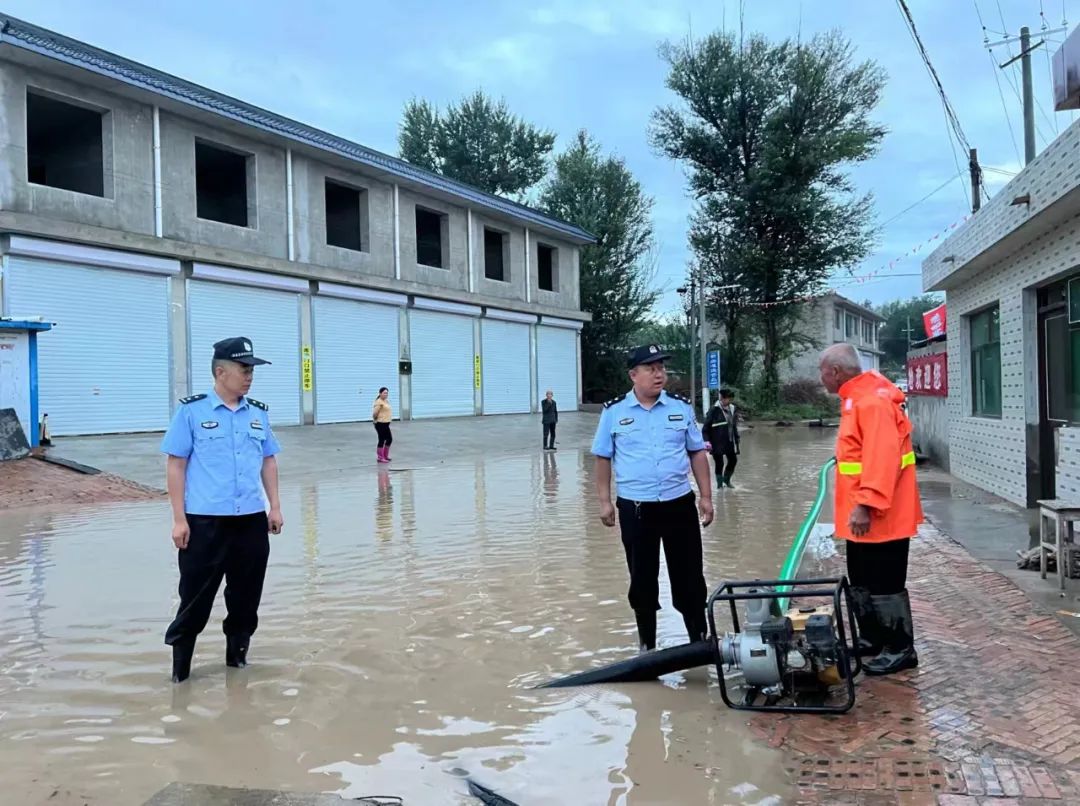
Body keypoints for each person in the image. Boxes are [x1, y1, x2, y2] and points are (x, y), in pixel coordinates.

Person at [161, 336, 284, 683]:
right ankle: (180, 676)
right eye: (244, 370)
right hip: (204, 523)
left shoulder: (258, 413)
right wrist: (179, 519)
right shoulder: (192, 411)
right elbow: (176, 465)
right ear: (220, 371)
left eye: (251, 371)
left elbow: (269, 461)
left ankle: (237, 666)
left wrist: (274, 507)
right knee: (194, 599)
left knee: (246, 599)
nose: (249, 377)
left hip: (249, 521)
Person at [592, 344, 715, 653]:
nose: (659, 373)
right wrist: (605, 502)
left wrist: (706, 496)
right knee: (642, 577)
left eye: (661, 367)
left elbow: (697, 452)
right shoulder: (614, 412)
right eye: (651, 368)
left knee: (689, 574)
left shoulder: (681, 408)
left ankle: (698, 640)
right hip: (636, 508)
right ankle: (647, 645)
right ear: (633, 375)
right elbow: (603, 459)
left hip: (679, 505)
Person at [819, 343, 922, 676]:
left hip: (880, 514)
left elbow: (883, 458)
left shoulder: (871, 402)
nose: (820, 377)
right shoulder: (857, 398)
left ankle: (900, 648)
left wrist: (865, 504)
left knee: (884, 581)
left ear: (834, 372)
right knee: (862, 578)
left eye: (822, 371)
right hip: (862, 516)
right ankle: (873, 639)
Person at [702, 388, 740, 488]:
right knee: (719, 463)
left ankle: (726, 480)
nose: (729, 401)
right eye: (727, 399)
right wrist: (706, 441)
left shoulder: (732, 408)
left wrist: (737, 439)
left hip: (729, 441)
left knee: (733, 460)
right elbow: (705, 428)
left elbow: (734, 426)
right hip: (716, 442)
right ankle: (719, 486)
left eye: (730, 399)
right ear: (722, 398)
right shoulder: (714, 410)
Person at [373, 387, 393, 463]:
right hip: (380, 423)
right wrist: (375, 420)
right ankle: (380, 457)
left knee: (389, 439)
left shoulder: (386, 401)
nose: (386, 394)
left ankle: (385, 456)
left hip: (386, 424)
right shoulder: (379, 402)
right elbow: (375, 413)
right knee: (381, 440)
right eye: (384, 393)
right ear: (380, 393)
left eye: (387, 393)